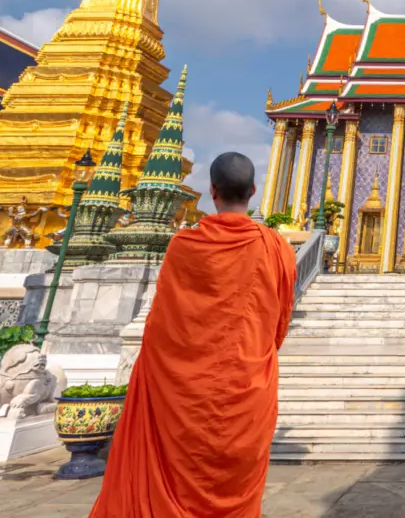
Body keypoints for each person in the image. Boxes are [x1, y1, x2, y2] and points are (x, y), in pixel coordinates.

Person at [90, 151, 297, 517]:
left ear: (212, 191)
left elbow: (160, 326)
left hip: (179, 396)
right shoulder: (277, 248)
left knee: (169, 481)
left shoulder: (183, 246)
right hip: (245, 390)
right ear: (253, 190)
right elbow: (279, 323)